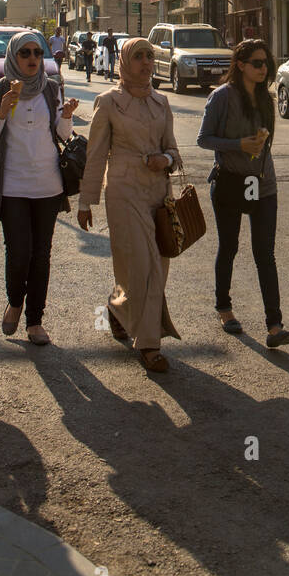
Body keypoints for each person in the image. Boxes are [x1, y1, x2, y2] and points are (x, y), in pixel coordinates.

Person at [78, 37, 181, 372]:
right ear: (124, 62)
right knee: (144, 265)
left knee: (158, 266)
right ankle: (150, 344)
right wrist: (85, 201)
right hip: (123, 193)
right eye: (139, 57)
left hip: (158, 195)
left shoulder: (162, 102)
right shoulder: (108, 102)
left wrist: (164, 159)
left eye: (150, 57)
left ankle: (119, 306)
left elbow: (175, 153)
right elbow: (94, 157)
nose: (146, 64)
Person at [0, 30, 80, 347]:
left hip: (47, 184)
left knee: (41, 254)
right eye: (26, 53)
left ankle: (35, 320)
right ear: (14, 57)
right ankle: (15, 301)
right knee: (19, 252)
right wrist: (1, 111)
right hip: (13, 185)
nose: (33, 59)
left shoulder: (51, 89)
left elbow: (63, 134)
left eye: (38, 52)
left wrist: (66, 116)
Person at [197, 38, 289, 348]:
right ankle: (224, 308)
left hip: (261, 184)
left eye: (266, 63)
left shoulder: (266, 99)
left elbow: (264, 142)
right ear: (240, 65)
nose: (263, 68)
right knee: (229, 247)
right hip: (230, 181)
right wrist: (238, 145)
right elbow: (204, 139)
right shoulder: (221, 98)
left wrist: (258, 143)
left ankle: (275, 326)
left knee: (264, 253)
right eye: (257, 63)